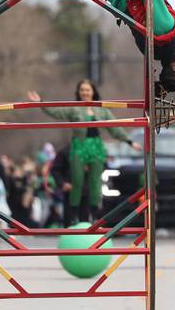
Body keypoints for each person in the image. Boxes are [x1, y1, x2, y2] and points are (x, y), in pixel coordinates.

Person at [29, 80, 140, 223]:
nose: (85, 93)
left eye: (87, 90)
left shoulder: (101, 109)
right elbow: (57, 112)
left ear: (93, 92)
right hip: (79, 147)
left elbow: (115, 128)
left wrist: (130, 142)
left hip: (96, 148)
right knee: (77, 182)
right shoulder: (74, 108)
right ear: (78, 93)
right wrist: (41, 103)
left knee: (95, 184)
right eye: (82, 90)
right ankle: (73, 218)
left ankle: (95, 218)